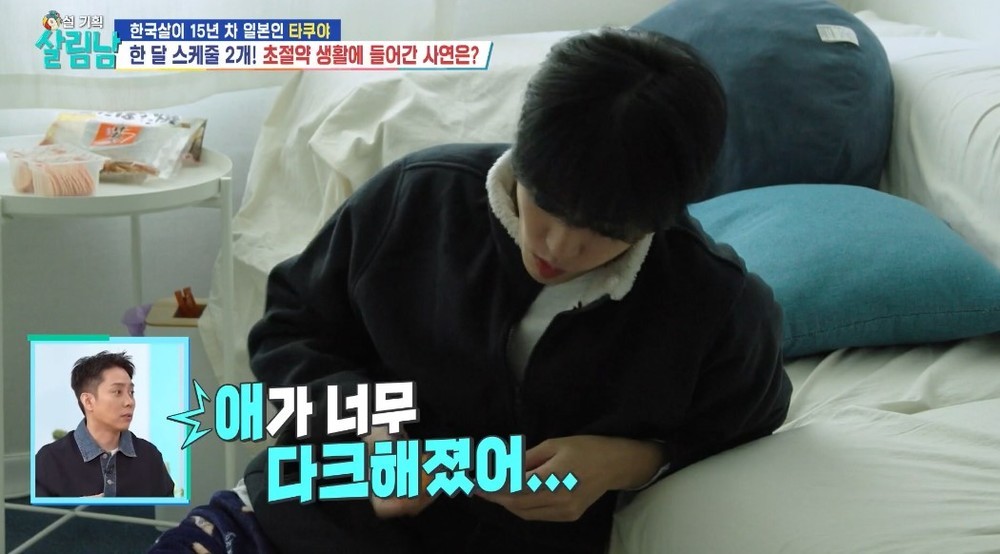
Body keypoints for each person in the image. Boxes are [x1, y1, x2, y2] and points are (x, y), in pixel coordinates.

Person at [153, 26, 792, 553]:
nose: (558, 246)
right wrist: (370, 430)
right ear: (525, 150)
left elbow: (750, 413)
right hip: (304, 513)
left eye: (604, 231)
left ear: (660, 216)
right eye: (547, 202)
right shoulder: (416, 197)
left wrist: (626, 460)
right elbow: (290, 329)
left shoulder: (710, 302)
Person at [35, 350, 175, 498]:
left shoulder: (149, 456)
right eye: (117, 392)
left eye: (131, 392)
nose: (129, 402)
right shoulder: (49, 460)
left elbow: (167, 510)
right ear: (88, 401)